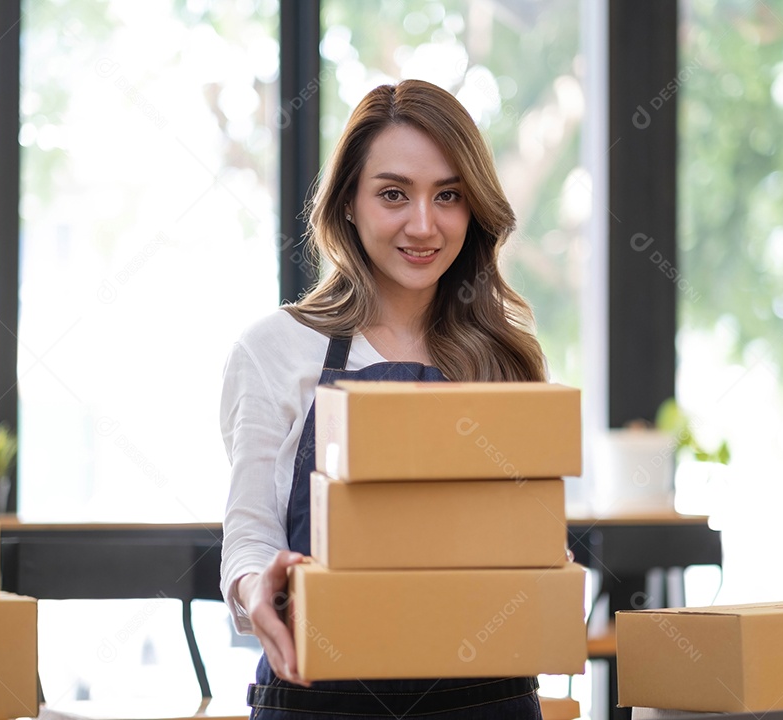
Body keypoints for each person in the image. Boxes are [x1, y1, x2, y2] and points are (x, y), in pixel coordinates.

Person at [220, 78, 548, 718]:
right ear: (348, 202)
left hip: (486, 699)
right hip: (321, 699)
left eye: (448, 196)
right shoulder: (275, 350)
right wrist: (258, 588)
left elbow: (525, 535)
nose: (423, 225)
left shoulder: (502, 357)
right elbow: (251, 536)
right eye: (393, 194)